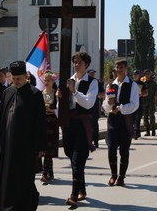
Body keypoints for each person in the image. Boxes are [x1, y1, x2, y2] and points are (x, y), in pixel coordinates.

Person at [0, 61, 47, 211]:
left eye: (19, 79)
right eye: (14, 78)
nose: (16, 82)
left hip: (25, 146)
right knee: (5, 178)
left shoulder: (35, 94)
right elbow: (1, 118)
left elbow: (40, 121)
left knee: (23, 179)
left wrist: (40, 146)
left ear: (26, 77)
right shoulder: (7, 92)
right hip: (6, 144)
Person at [57, 51, 98, 207]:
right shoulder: (68, 81)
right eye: (74, 62)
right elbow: (61, 108)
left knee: (77, 159)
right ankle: (82, 188)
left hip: (83, 124)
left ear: (86, 65)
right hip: (69, 124)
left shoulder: (92, 83)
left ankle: (74, 194)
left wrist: (74, 91)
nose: (76, 65)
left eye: (79, 62)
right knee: (70, 154)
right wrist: (59, 97)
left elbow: (88, 103)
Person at [103, 58, 139, 187]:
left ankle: (121, 176)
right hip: (112, 120)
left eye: (121, 68)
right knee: (111, 148)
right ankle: (113, 174)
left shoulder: (132, 85)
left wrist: (120, 108)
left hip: (125, 120)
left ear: (126, 69)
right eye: (117, 68)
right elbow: (105, 105)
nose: (119, 70)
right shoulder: (110, 85)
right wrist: (108, 106)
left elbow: (134, 104)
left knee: (124, 150)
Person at [40, 71, 59, 184]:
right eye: (45, 80)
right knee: (45, 148)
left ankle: (45, 173)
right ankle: (50, 172)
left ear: (52, 81)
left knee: (49, 148)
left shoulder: (56, 93)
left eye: (49, 80)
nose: (46, 82)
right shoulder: (41, 93)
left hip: (52, 123)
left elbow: (59, 108)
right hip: (44, 123)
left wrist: (53, 110)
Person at [131, 70, 147, 139]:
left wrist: (141, 94)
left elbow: (146, 93)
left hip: (139, 103)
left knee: (138, 119)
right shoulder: (130, 83)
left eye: (136, 74)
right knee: (132, 119)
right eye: (134, 74)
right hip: (131, 104)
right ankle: (136, 132)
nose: (135, 76)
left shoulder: (142, 84)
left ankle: (136, 133)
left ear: (139, 75)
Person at [142, 69, 157, 136]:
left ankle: (153, 130)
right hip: (144, 102)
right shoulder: (143, 83)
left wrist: (156, 102)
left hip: (151, 102)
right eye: (146, 74)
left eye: (148, 74)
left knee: (151, 116)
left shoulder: (153, 83)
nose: (147, 75)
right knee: (145, 117)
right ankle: (147, 131)